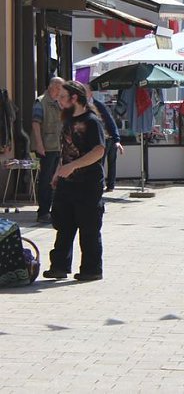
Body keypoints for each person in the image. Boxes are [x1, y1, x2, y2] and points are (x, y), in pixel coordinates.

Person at [42, 81, 106, 282]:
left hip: (88, 184)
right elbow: (65, 151)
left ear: (74, 98)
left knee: (88, 228)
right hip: (67, 183)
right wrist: (58, 172)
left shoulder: (91, 121)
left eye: (62, 96)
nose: (58, 100)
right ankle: (59, 267)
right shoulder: (68, 120)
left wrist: (73, 166)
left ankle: (91, 270)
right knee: (63, 226)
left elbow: (99, 151)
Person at [32, 77, 64, 223]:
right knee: (46, 180)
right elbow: (35, 124)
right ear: (53, 87)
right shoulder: (41, 102)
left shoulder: (58, 103)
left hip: (57, 146)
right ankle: (43, 212)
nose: (61, 91)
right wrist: (39, 144)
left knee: (54, 180)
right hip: (47, 147)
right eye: (60, 88)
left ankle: (52, 210)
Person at [86, 86, 124, 192]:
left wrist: (116, 139)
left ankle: (109, 185)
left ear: (90, 93)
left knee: (106, 162)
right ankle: (101, 185)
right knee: (100, 162)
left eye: (85, 92)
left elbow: (110, 120)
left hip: (107, 138)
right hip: (101, 137)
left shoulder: (98, 105)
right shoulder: (85, 105)